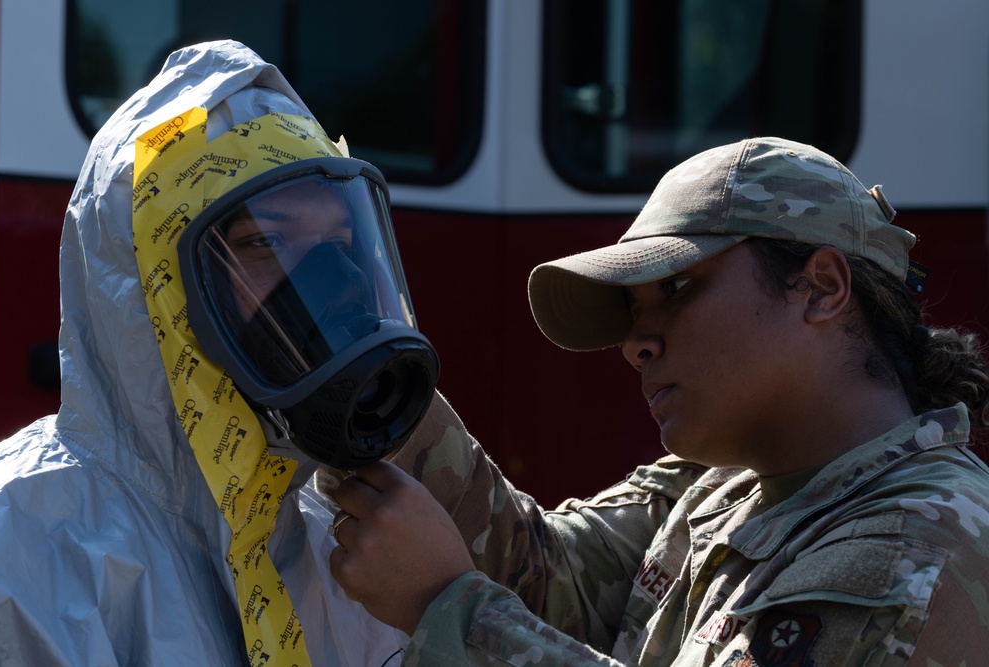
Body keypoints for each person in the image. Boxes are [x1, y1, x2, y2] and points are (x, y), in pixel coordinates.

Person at [328, 136, 989, 665]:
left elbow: (479, 587)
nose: (635, 344)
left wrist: (449, 608)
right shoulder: (729, 485)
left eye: (675, 289)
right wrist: (351, 360)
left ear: (820, 287)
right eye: (632, 310)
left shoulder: (908, 555)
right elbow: (535, 567)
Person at [0, 40, 427, 665]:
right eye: (267, 242)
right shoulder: (20, 559)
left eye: (340, 239)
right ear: (154, 289)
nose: (336, 283)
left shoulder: (353, 550)